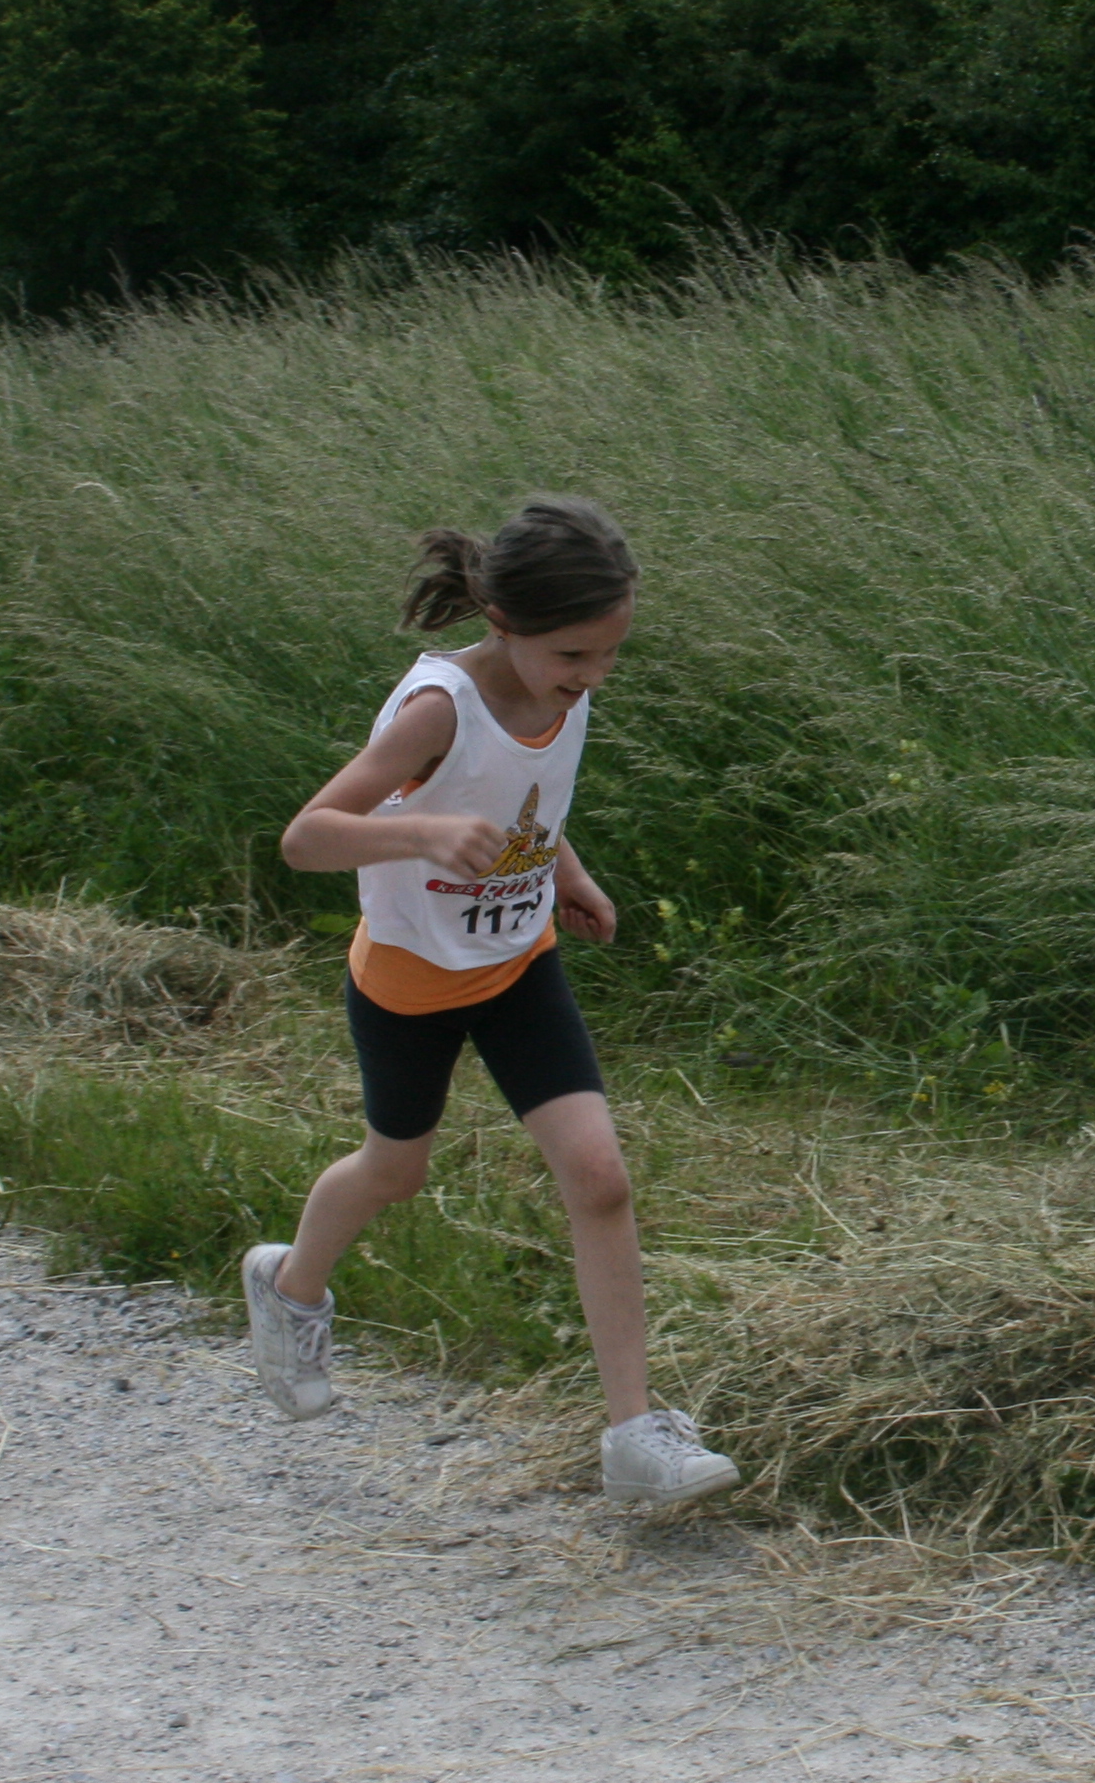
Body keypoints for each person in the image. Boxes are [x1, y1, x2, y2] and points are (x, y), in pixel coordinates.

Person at [240, 493, 740, 1507]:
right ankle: (288, 1286)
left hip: (518, 965)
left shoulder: (559, 684)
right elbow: (307, 837)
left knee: (600, 1177)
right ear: (503, 624)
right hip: (410, 981)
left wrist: (567, 874)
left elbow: (525, 798)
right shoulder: (438, 708)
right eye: (574, 656)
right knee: (394, 1172)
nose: (592, 677)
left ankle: (635, 1436)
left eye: (610, 654)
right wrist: (422, 831)